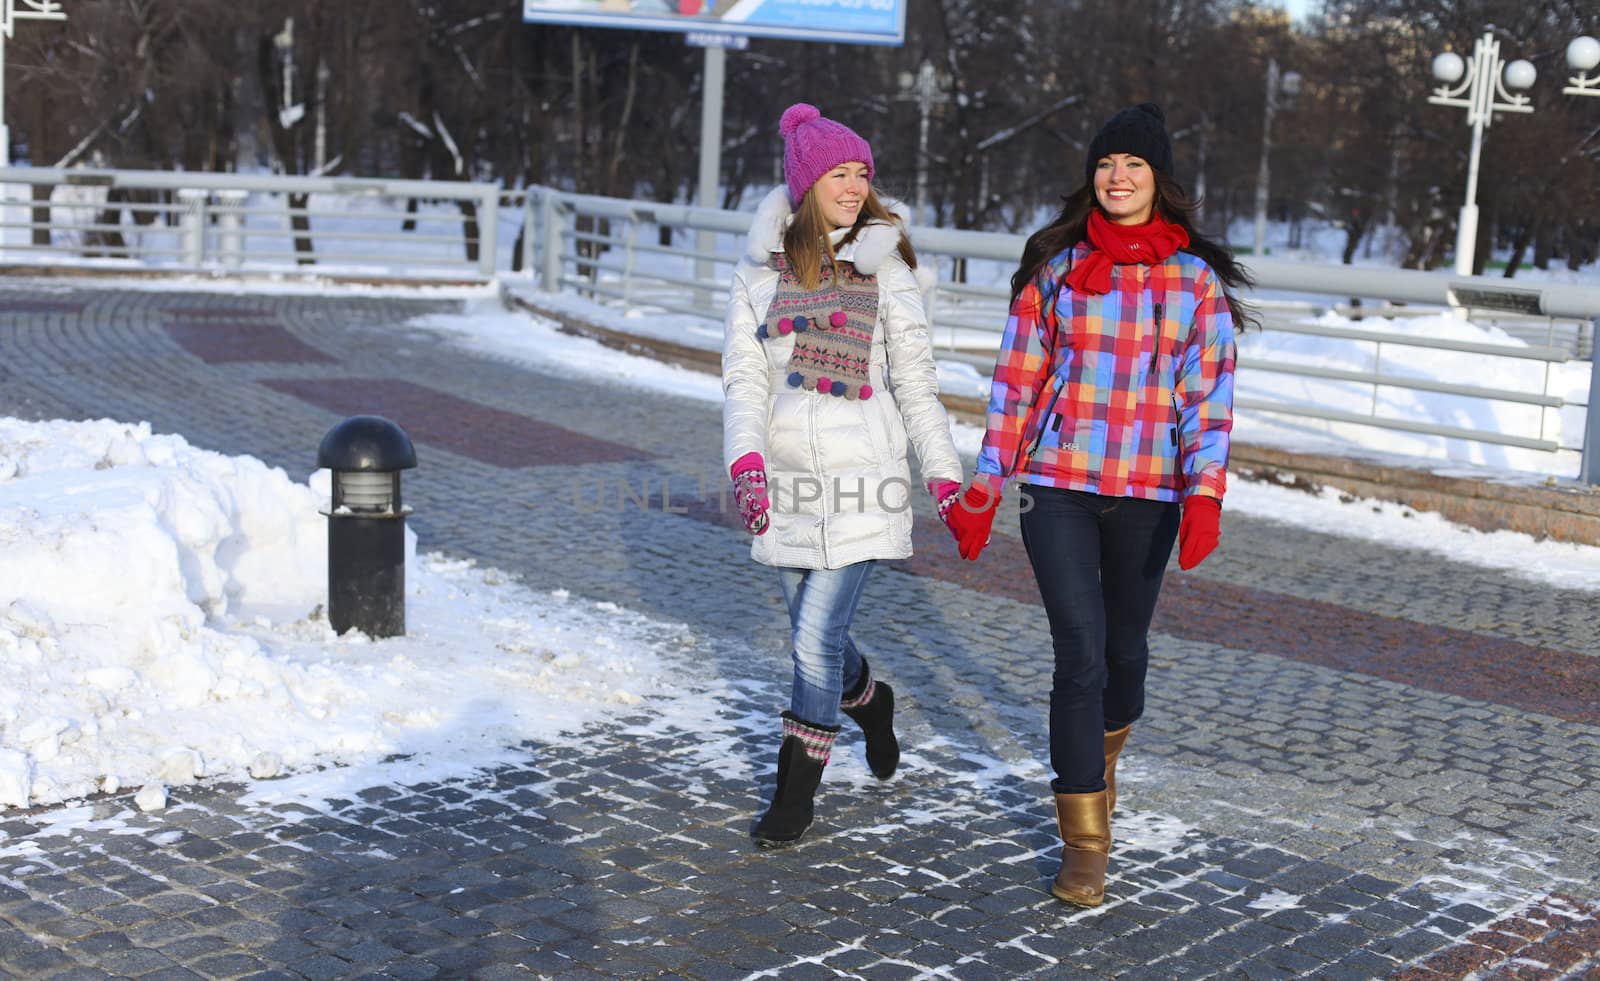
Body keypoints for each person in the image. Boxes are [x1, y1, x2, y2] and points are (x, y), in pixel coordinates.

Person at [945, 103, 1254, 905]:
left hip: (1149, 494)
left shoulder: (1193, 284)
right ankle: (1085, 838)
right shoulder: (1056, 269)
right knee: (1077, 655)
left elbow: (1207, 396)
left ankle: (1105, 753)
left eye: (1135, 166)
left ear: (1160, 181)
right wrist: (988, 478)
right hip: (1059, 486)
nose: (1117, 178)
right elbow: (1016, 383)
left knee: (1125, 658)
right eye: (1107, 164)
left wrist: (1206, 491)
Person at [722, 103, 965, 847]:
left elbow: (918, 387)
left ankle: (794, 795)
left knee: (810, 639)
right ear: (806, 184)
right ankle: (871, 701)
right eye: (839, 172)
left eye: (863, 171)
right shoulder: (758, 278)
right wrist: (746, 462)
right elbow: (744, 381)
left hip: (869, 480)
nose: (855, 185)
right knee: (816, 634)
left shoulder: (886, 272)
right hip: (787, 480)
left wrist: (944, 475)